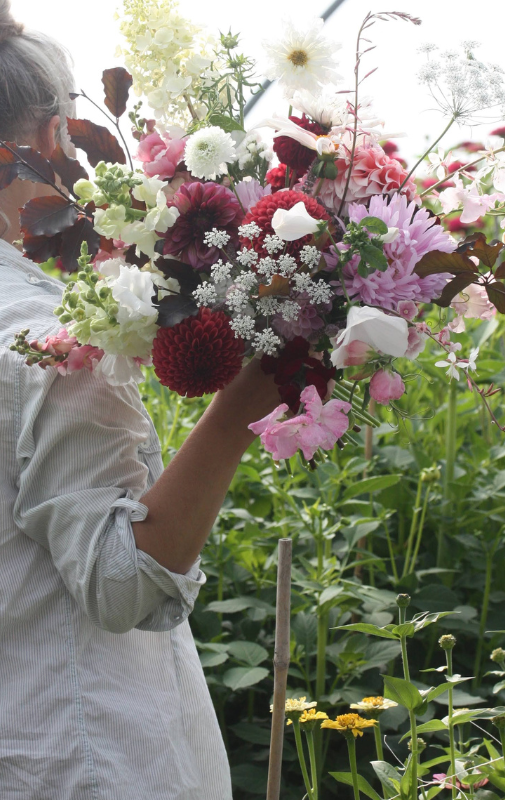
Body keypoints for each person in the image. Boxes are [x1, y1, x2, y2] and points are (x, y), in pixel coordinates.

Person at [0, 2, 280, 797]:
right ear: (53, 137)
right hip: (86, 752)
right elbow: (119, 582)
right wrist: (253, 393)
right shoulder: (51, 339)